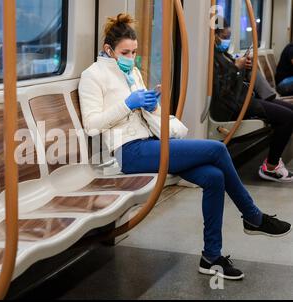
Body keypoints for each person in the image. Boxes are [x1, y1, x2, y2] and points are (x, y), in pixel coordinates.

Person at [79, 13, 291, 281]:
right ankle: (253, 216)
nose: (131, 58)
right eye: (125, 52)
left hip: (151, 142)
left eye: (134, 52)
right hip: (128, 152)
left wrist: (150, 104)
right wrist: (128, 104)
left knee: (213, 178)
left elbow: (145, 117)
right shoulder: (92, 76)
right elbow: (92, 125)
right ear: (109, 49)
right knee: (217, 150)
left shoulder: (131, 72)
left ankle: (211, 257)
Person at [212, 18, 293, 183]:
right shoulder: (211, 57)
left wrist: (242, 65)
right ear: (215, 36)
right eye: (224, 36)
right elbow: (222, 88)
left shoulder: (221, 54)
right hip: (235, 104)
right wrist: (237, 67)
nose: (226, 40)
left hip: (243, 98)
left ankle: (274, 161)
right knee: (287, 117)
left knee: (290, 112)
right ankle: (270, 167)